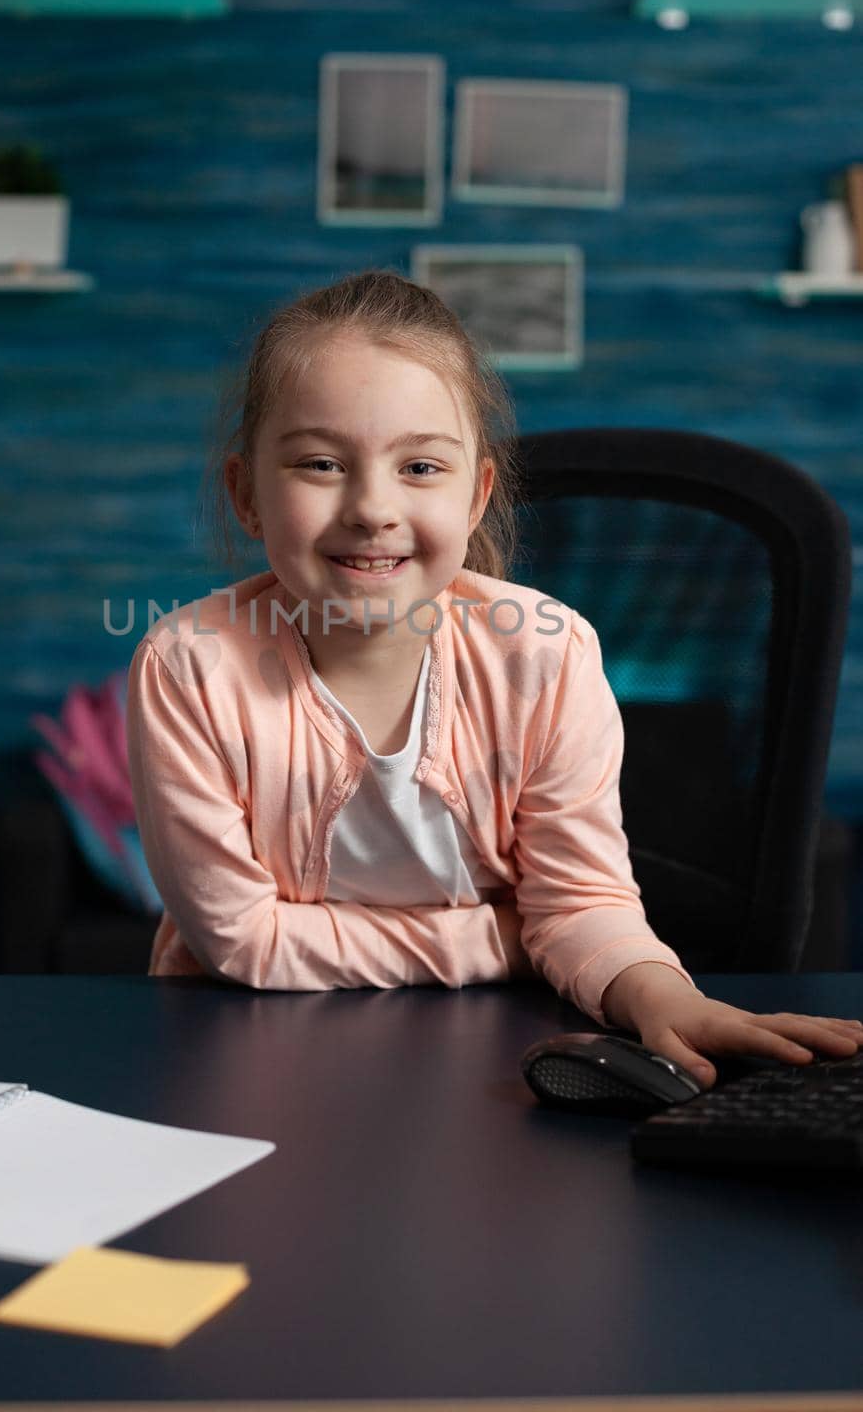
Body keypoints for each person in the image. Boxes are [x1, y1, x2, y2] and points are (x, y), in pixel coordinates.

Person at [126, 268, 863, 1089]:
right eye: (322, 464)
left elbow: (580, 906)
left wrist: (660, 994)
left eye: (419, 468)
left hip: (501, 1055)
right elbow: (242, 940)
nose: (372, 507)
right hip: (250, 1048)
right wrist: (510, 940)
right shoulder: (188, 665)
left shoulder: (546, 656)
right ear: (247, 496)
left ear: (476, 496)